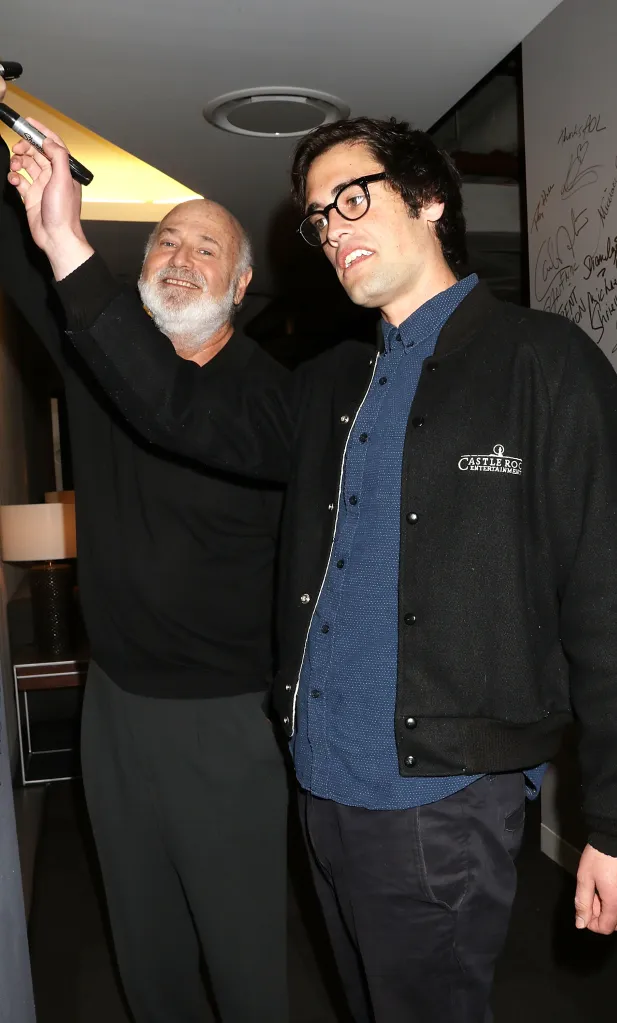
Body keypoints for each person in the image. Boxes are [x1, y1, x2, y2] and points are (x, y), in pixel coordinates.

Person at [8, 114, 617, 1023]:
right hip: (323, 787)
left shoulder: (544, 364)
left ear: (430, 198)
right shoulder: (332, 384)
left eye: (352, 198)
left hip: (441, 801)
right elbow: (172, 407)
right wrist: (63, 239)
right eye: (321, 218)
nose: (334, 229)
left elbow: (608, 601)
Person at [0, 81, 289, 1023]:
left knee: (243, 954)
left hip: (225, 721)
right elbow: (19, 255)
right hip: (116, 707)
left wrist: (67, 244)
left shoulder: (269, 397)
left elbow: (173, 411)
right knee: (144, 942)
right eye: (166, 238)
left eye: (210, 247)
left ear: (242, 288)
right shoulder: (101, 351)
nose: (181, 255)